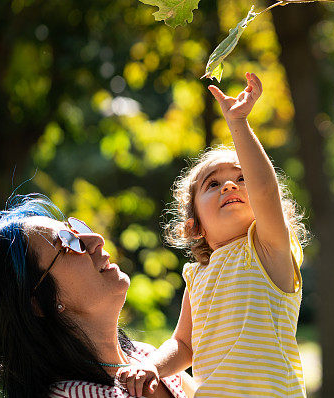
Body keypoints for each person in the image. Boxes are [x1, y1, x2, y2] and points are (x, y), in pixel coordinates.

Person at [117, 72, 309, 397]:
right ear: (195, 227)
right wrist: (152, 366)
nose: (230, 185)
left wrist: (239, 124)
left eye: (241, 177)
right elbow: (182, 344)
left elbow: (264, 190)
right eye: (213, 184)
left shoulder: (269, 249)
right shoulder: (197, 276)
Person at [0, 194, 197, 398]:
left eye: (77, 231)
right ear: (38, 303)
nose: (96, 240)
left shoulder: (147, 358)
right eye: (68, 242)